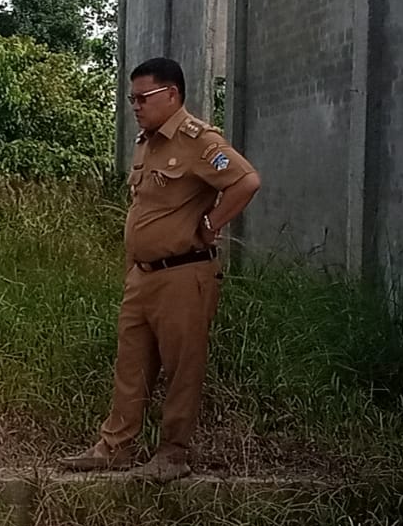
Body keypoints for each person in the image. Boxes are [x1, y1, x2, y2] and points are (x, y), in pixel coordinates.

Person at [59, 57, 262, 482]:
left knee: (181, 366)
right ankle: (114, 447)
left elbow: (245, 181)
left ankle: (173, 454)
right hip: (143, 275)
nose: (135, 105)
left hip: (184, 275)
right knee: (130, 364)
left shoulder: (198, 141)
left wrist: (211, 225)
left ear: (171, 95)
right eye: (131, 98)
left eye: (142, 98)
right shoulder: (146, 142)